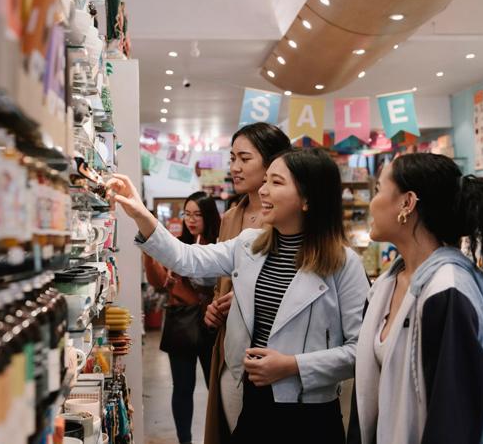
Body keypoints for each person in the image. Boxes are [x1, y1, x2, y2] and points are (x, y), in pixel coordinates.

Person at [107, 148, 370, 442]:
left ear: (308, 199)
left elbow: (360, 351)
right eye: (266, 180)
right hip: (254, 403)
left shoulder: (343, 264)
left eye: (276, 182)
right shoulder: (249, 244)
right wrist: (140, 213)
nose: (263, 190)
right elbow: (186, 258)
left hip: (311, 414)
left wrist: (292, 365)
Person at [348, 153, 483, 444]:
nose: (372, 203)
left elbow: (455, 415)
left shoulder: (448, 290)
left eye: (378, 191)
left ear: (406, 203)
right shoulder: (385, 285)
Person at [203, 122, 291, 443]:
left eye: (244, 158)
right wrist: (214, 307)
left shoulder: (288, 220)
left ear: (271, 163)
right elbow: (220, 283)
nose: (235, 168)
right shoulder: (230, 218)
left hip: (274, 357)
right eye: (232, 158)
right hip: (230, 352)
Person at [143, 191, 221, 444]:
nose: (191, 219)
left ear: (209, 216)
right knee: (182, 388)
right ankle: (184, 441)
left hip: (213, 323)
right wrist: (149, 252)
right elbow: (159, 283)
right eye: (187, 213)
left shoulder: (222, 245)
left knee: (217, 389)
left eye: (197, 214)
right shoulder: (178, 245)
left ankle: (218, 436)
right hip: (182, 323)